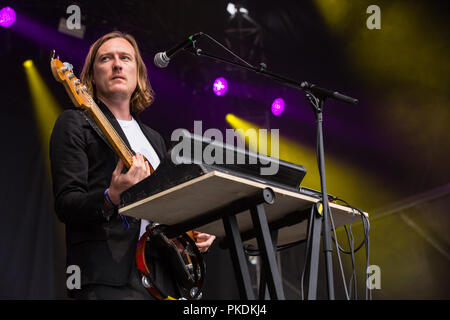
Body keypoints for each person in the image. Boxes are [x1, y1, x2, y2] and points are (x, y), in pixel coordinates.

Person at [50, 31, 215, 300]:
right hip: (109, 277)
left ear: (138, 74)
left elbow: (166, 205)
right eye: (106, 58)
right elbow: (67, 204)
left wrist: (193, 232)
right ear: (91, 75)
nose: (117, 64)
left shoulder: (155, 139)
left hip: (162, 277)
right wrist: (111, 197)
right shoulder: (74, 123)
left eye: (125, 58)